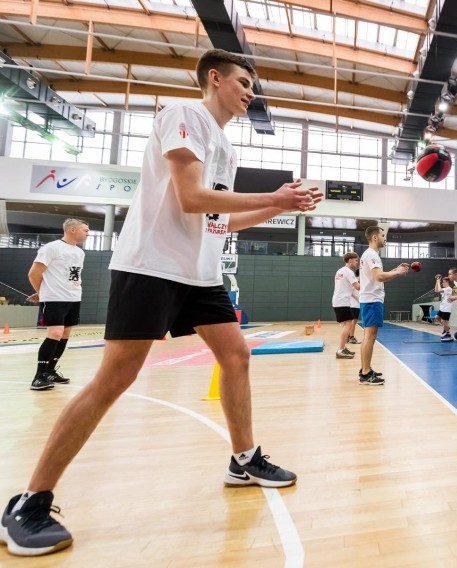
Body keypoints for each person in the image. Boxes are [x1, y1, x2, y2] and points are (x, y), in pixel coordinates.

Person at [0, 49, 323, 557]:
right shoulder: (184, 116)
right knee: (115, 378)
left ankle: (243, 459)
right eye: (243, 82)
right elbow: (191, 198)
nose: (250, 91)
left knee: (236, 354)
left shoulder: (226, 149)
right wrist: (275, 199)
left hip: (200, 274)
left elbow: (216, 220)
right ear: (214, 79)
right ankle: (29, 501)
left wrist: (278, 206)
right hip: (151, 266)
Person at [26, 218, 90, 391]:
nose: (88, 233)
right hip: (55, 298)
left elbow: (72, 276)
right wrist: (42, 293)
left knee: (65, 333)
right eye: (85, 230)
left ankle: (50, 371)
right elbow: (33, 274)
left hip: (74, 297)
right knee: (55, 332)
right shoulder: (51, 248)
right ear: (72, 230)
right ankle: (39, 376)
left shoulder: (80, 253)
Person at [359, 225, 409, 385]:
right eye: (382, 235)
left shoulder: (369, 255)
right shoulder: (372, 255)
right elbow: (379, 276)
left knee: (369, 336)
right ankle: (365, 373)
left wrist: (395, 270)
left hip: (370, 300)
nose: (384, 238)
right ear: (374, 238)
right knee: (370, 336)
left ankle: (365, 369)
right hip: (372, 301)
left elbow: (379, 276)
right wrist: (398, 272)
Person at [332, 252, 360, 359]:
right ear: (350, 260)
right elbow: (357, 287)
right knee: (348, 325)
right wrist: (369, 286)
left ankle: (343, 348)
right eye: (356, 260)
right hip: (342, 302)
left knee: (347, 324)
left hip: (339, 301)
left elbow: (351, 290)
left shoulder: (340, 271)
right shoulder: (349, 272)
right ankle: (340, 350)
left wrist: (358, 298)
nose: (357, 263)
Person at [434, 275, 454, 341]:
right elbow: (436, 290)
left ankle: (447, 333)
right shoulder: (445, 289)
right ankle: (446, 328)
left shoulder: (448, 289)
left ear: (447, 282)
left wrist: (438, 282)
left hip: (447, 308)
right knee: (437, 317)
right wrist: (437, 282)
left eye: (443, 282)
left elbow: (439, 289)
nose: (442, 283)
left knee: (443, 320)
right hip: (442, 307)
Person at [348, 270, 361, 345]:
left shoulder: (359, 281)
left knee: (353, 321)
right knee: (353, 321)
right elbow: (350, 292)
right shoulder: (355, 281)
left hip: (356, 304)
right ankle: (351, 337)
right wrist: (357, 299)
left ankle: (349, 336)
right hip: (353, 304)